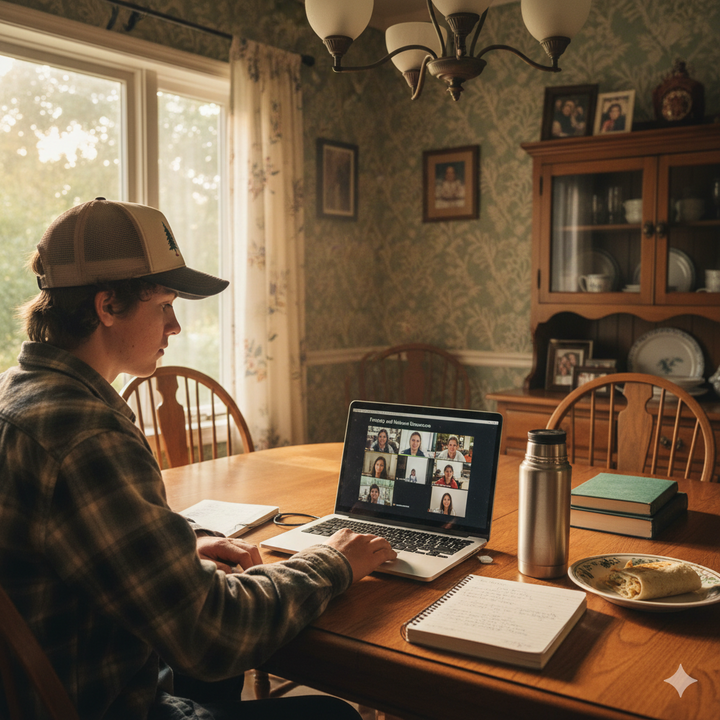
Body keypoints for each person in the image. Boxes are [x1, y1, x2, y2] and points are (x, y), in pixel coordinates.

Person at [0, 198, 396, 720]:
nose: (175, 327)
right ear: (107, 306)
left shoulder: (19, 393)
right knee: (332, 713)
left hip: (56, 681)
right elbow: (213, 634)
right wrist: (334, 561)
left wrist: (183, 543)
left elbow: (83, 538)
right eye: (163, 304)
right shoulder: (86, 435)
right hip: (103, 705)